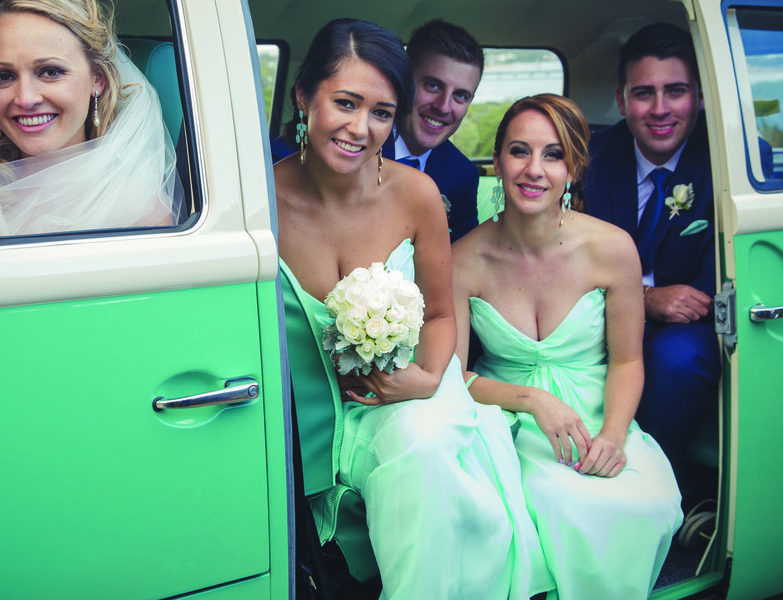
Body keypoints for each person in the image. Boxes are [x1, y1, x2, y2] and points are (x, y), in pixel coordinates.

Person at [276, 18, 548, 600]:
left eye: (380, 112)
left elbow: (443, 315)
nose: (360, 128)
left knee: (423, 443)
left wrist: (425, 379)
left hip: (415, 384)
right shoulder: (260, 203)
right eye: (345, 103)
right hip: (312, 406)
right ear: (304, 97)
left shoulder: (417, 194)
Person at [454, 93, 682, 599]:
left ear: (574, 167)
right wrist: (533, 400)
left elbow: (626, 359)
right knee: (549, 506)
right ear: (497, 161)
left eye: (553, 154)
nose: (534, 170)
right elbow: (451, 377)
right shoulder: (463, 259)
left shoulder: (611, 248)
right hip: (505, 421)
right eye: (519, 151)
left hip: (599, 415)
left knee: (644, 504)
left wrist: (615, 435)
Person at [582, 23, 719, 480]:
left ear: (699, 96)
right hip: (595, 315)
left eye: (675, 91)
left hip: (685, 329)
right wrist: (646, 298)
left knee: (679, 359)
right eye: (644, 94)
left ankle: (652, 483)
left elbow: (709, 288)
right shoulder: (591, 159)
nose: (660, 109)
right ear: (622, 102)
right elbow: (566, 259)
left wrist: (661, 307)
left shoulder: (724, 162)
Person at [0, 0, 179, 236]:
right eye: (4, 76)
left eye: (51, 72)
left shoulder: (140, 210)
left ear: (97, 79)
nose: (25, 99)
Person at [380, 19, 483, 242]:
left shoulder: (463, 175)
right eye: (433, 85)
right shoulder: (361, 143)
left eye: (460, 96)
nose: (443, 107)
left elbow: (461, 257)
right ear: (404, 80)